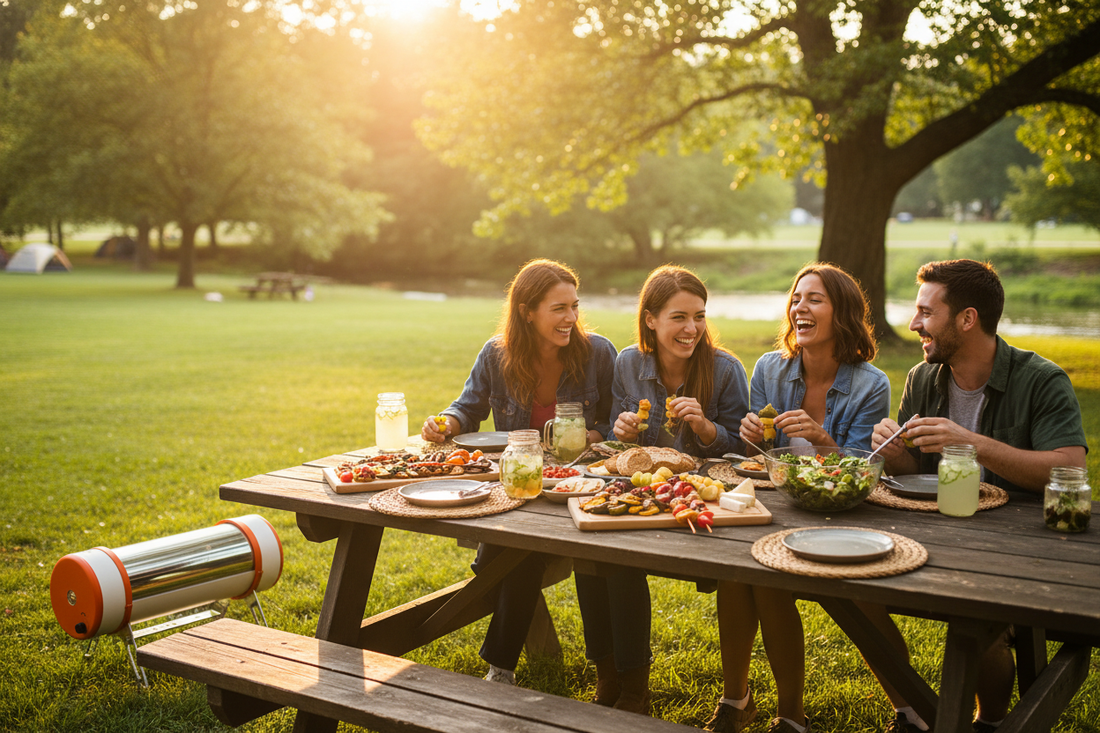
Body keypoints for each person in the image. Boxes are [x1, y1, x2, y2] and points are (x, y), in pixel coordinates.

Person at [867, 259, 1087, 733]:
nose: (913, 323)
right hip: (937, 535)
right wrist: (892, 447)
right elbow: (910, 472)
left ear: (967, 319)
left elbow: (1070, 467)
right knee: (851, 589)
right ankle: (913, 713)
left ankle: (987, 721)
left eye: (927, 312)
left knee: (973, 619)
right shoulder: (923, 379)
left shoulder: (1040, 380)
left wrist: (969, 442)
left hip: (1020, 546)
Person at [706, 263, 890, 733]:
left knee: (778, 579)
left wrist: (824, 441)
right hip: (778, 503)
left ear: (842, 313)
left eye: (815, 299)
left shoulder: (871, 384)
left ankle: (790, 714)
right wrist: (751, 434)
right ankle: (737, 700)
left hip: (841, 511)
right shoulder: (770, 368)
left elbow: (864, 468)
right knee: (739, 573)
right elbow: (757, 456)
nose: (799, 307)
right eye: (796, 298)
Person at [420, 259, 616, 686]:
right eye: (558, 309)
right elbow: (467, 407)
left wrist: (591, 436)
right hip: (520, 483)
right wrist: (446, 424)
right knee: (520, 548)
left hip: (578, 484)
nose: (571, 318)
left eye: (574, 307)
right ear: (528, 311)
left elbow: (616, 419)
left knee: (509, 555)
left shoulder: (598, 352)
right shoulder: (497, 354)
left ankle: (500, 666)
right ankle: (503, 666)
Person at [575, 265, 751, 715]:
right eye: (679, 317)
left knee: (617, 553)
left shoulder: (726, 370)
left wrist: (709, 429)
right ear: (651, 319)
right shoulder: (628, 363)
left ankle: (634, 687)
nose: (692, 329)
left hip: (697, 500)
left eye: (699, 316)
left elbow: (745, 449)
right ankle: (610, 674)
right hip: (640, 492)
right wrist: (624, 429)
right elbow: (619, 441)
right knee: (592, 550)